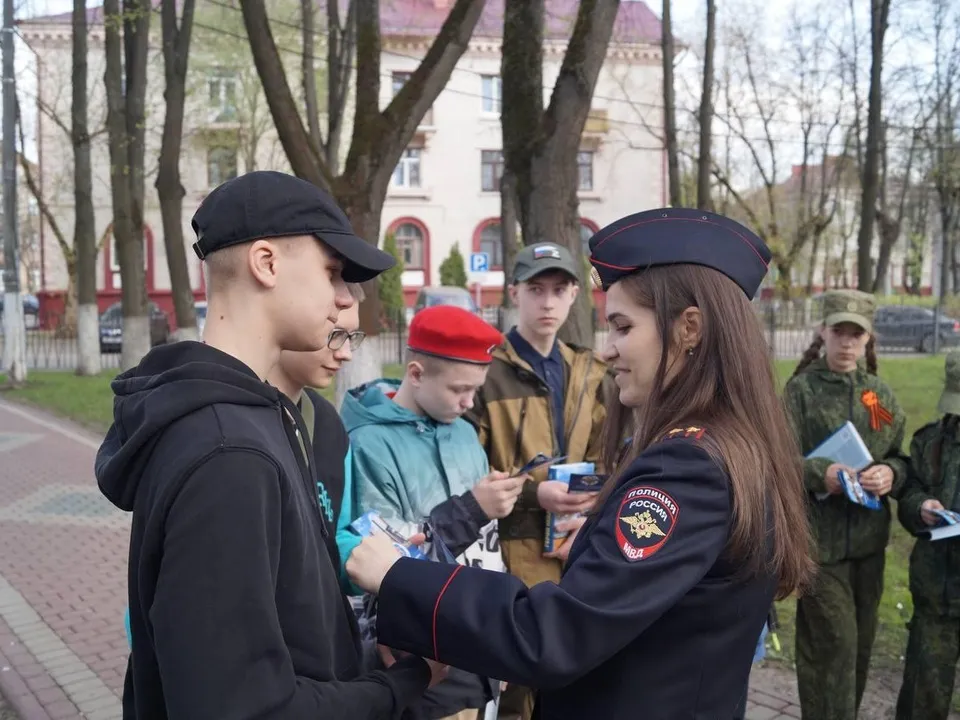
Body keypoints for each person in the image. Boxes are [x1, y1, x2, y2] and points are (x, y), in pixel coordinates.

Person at [345, 208, 815, 719]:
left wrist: (398, 577)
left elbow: (554, 636)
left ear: (690, 329)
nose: (608, 349)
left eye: (622, 327)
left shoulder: (688, 467)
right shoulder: (725, 444)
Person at [95, 170, 443, 719]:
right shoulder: (231, 452)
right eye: (333, 272)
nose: (347, 297)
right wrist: (399, 686)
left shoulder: (262, 418)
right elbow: (244, 707)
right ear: (266, 263)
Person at [340, 305, 520, 720]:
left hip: (478, 644)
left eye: (476, 388)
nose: (469, 401)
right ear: (416, 374)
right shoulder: (368, 443)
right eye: (459, 389)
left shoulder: (463, 432)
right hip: (422, 656)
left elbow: (486, 548)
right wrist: (474, 507)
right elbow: (379, 552)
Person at [784, 288, 909, 719]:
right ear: (823, 331)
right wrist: (824, 474)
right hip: (820, 548)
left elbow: (899, 456)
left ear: (868, 339)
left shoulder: (880, 397)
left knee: (859, 652)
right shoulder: (799, 393)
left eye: (857, 334)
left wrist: (890, 473)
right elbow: (777, 464)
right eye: (839, 331)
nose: (848, 343)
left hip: (869, 550)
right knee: (832, 648)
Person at [267, 281, 365, 592]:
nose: (346, 353)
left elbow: (335, 533)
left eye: (352, 338)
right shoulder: (228, 423)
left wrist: (377, 564)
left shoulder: (328, 424)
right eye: (335, 335)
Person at [895, 350, 960, 720]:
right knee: (922, 699)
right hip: (934, 593)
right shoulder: (930, 441)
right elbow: (911, 488)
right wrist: (920, 507)